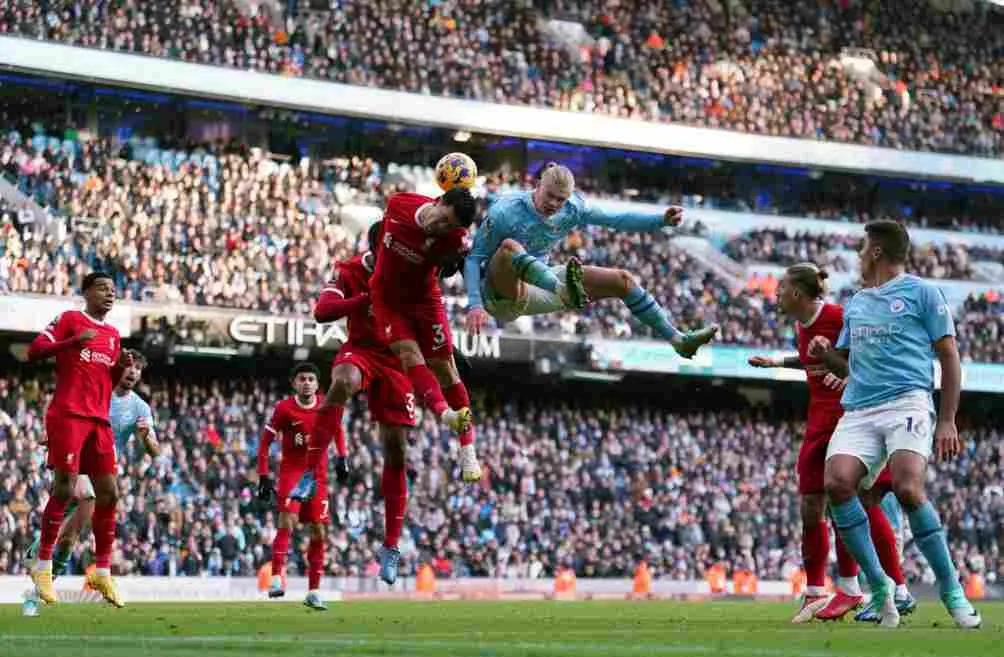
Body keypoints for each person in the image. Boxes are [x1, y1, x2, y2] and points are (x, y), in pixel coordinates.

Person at [809, 220, 980, 629]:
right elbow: (848, 365)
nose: (858, 255)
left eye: (862, 248)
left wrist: (948, 420)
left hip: (908, 401)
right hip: (861, 410)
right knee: (836, 483)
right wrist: (826, 353)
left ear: (877, 253)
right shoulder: (857, 303)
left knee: (906, 488)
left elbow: (950, 357)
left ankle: (952, 591)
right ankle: (883, 589)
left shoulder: (923, 293)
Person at [749, 263, 912, 624]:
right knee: (810, 507)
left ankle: (886, 588)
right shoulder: (801, 325)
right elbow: (812, 361)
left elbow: (874, 352)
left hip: (850, 418)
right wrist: (775, 361)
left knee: (858, 504)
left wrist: (849, 372)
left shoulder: (840, 316)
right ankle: (815, 591)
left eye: (780, 288)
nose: (774, 294)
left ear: (796, 294)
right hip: (818, 420)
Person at [463, 163, 717, 358]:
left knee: (623, 280)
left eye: (560, 199)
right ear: (538, 184)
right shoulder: (506, 211)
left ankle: (678, 341)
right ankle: (562, 288)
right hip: (499, 293)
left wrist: (660, 220)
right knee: (510, 248)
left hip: (540, 285)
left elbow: (616, 219)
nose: (554, 204)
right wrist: (475, 304)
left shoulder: (574, 208)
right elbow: (474, 259)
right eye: (549, 195)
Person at [293, 220, 418, 585]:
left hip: (397, 360)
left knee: (396, 451)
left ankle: (390, 546)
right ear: (378, 248)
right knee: (342, 380)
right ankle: (310, 471)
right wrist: (366, 298)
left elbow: (427, 317)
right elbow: (322, 311)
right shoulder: (349, 270)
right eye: (389, 252)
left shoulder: (408, 274)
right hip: (362, 350)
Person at [26, 271, 132, 607]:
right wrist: (72, 342)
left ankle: (102, 572)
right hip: (69, 414)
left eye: (113, 290)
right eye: (102, 288)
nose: (109, 294)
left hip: (99, 420)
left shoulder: (114, 335)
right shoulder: (70, 319)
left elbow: (105, 379)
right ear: (85, 293)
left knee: (110, 493)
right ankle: (42, 567)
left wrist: (120, 368)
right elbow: (35, 350)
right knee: (64, 487)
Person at [369, 189, 480, 482]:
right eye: (443, 219)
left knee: (446, 369)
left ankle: (468, 450)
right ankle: (445, 414)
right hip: (388, 298)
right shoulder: (398, 202)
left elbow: (454, 266)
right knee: (408, 355)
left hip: (424, 301)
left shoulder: (452, 239)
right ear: (438, 201)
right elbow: (380, 235)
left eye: (449, 226)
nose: (441, 227)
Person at [26, 350, 158, 579]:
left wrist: (147, 438)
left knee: (72, 531)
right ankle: (48, 560)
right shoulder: (97, 390)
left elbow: (155, 451)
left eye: (138, 368)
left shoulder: (140, 408)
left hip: (103, 469)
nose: (133, 372)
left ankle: (47, 565)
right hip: (76, 458)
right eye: (130, 366)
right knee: (88, 496)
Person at [257, 363, 329, 610]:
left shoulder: (327, 405)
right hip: (293, 472)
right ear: (294, 383)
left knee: (319, 531)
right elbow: (265, 442)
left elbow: (338, 431)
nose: (307, 382)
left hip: (318, 475)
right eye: (302, 379)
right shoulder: (284, 408)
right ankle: (276, 578)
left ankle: (314, 591)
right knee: (287, 521)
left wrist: (343, 458)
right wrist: (264, 475)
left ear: (317, 384)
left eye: (311, 379)